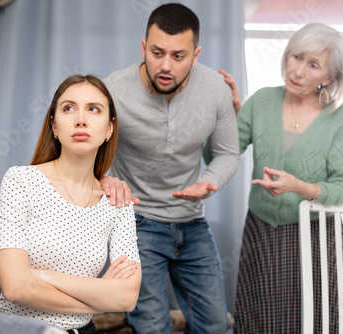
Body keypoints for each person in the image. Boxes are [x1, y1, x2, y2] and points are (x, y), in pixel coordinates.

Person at [100, 3, 240, 333]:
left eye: (178, 56)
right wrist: (103, 178)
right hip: (137, 221)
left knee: (215, 326)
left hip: (191, 221)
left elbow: (228, 154)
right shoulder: (114, 91)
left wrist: (210, 181)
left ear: (196, 54)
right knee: (150, 326)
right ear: (143, 47)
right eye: (157, 52)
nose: (165, 66)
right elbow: (84, 147)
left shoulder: (216, 90)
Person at [221, 23, 343, 333]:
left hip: (316, 238)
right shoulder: (261, 101)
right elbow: (219, 154)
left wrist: (298, 187)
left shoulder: (339, 117)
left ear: (329, 77)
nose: (297, 71)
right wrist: (227, 114)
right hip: (262, 233)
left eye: (312, 65)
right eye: (296, 57)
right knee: (260, 322)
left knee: (318, 322)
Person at [0, 74, 142, 334]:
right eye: (69, 108)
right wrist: (98, 299)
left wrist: (44, 276)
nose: (81, 119)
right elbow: (15, 287)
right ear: (54, 126)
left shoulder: (118, 202)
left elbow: (126, 297)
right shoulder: (20, 181)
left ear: (109, 129)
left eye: (94, 109)